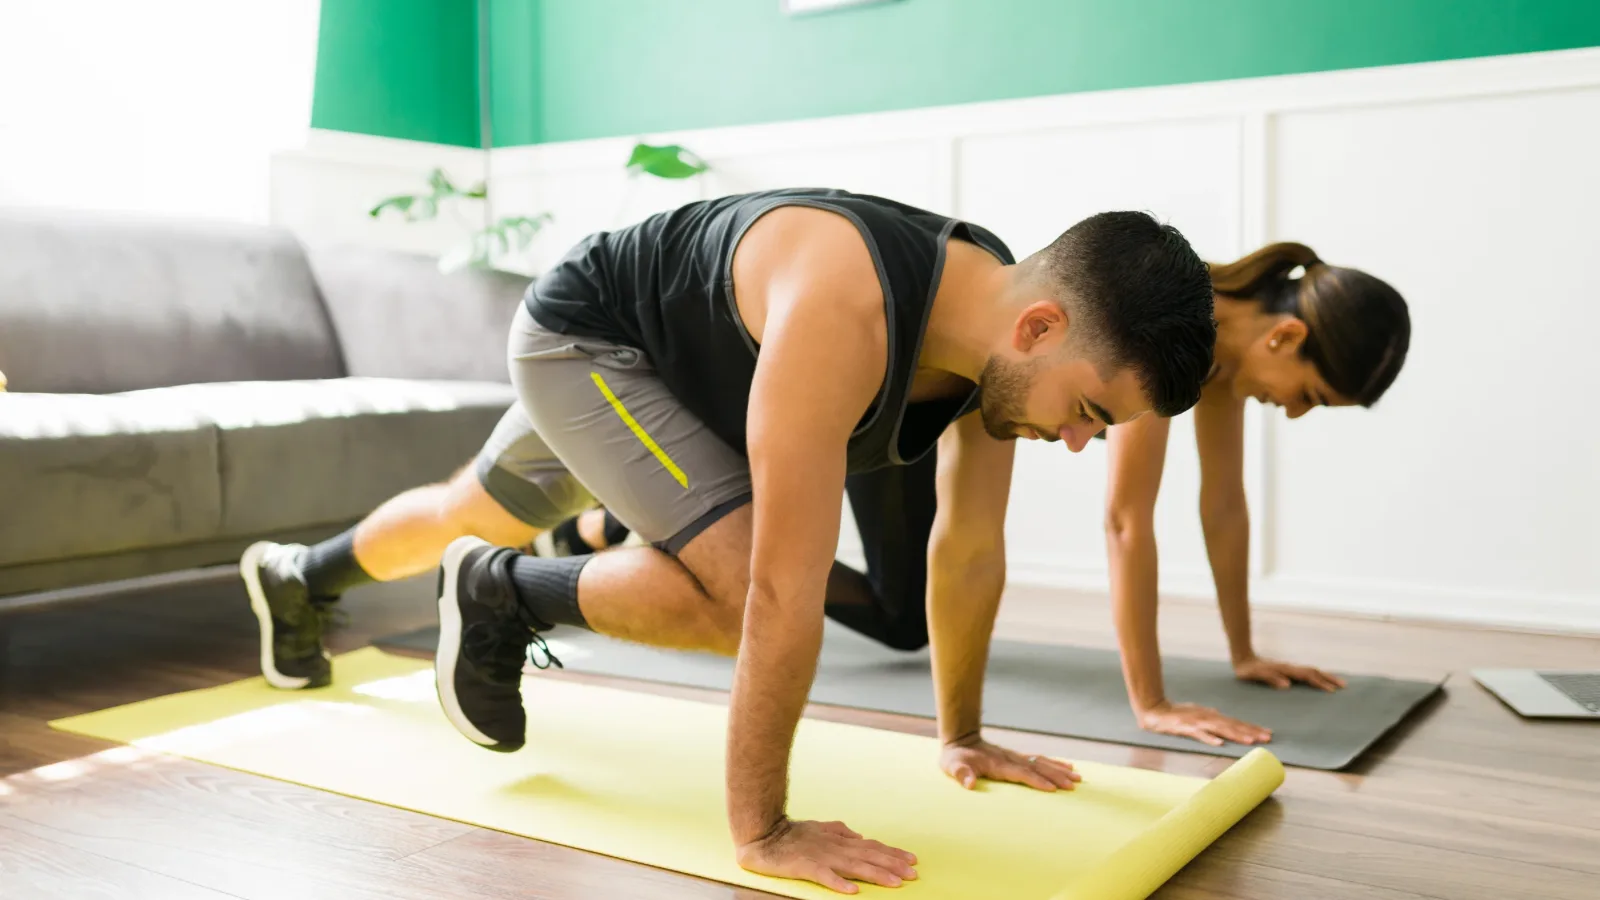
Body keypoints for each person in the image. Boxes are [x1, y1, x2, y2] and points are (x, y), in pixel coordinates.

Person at [248, 187, 1218, 894]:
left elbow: (966, 549)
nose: (1079, 440)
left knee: (473, 506)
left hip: (686, 379)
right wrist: (764, 831)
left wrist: (959, 736)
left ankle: (300, 577)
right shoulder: (848, 310)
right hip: (596, 344)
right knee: (737, 595)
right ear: (1040, 327)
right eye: (1090, 411)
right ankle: (497, 591)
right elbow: (777, 596)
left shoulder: (996, 335)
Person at [1102, 242, 1410, 748]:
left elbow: (1223, 504)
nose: (1293, 412)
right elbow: (1125, 521)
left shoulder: (1223, 349)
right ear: (1285, 335)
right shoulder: (1167, 321)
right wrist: (1152, 704)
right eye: (1308, 396)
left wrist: (1244, 653)